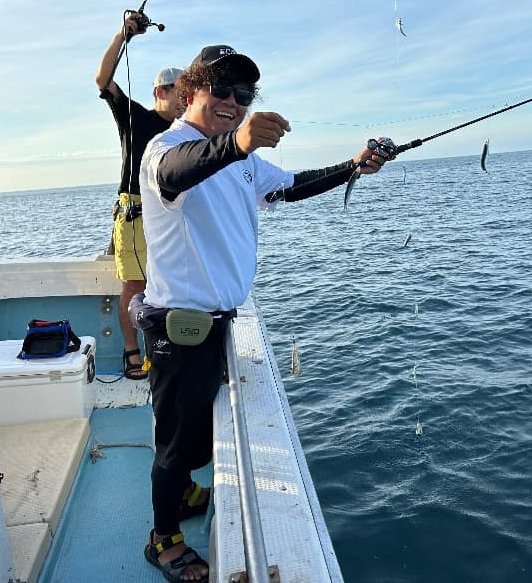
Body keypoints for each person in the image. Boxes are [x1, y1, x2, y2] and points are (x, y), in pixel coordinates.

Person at [133, 44, 392, 581]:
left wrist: (354, 167)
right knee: (175, 445)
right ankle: (163, 539)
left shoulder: (245, 162)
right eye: (220, 88)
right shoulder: (166, 148)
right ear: (190, 91)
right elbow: (177, 175)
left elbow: (293, 186)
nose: (233, 99)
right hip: (177, 329)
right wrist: (236, 142)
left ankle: (180, 493)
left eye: (244, 93)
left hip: (217, 324)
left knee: (193, 438)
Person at [95, 12, 187, 380]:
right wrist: (123, 36)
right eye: (179, 92)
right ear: (159, 92)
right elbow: (104, 79)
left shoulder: (187, 133)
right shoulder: (135, 115)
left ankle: (164, 347)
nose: (185, 99)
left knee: (170, 284)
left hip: (170, 214)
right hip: (135, 212)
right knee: (136, 286)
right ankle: (133, 351)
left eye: (188, 94)